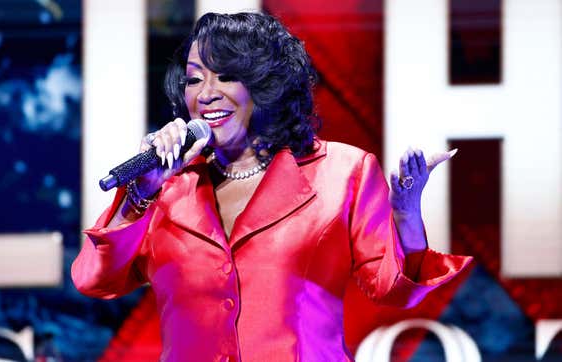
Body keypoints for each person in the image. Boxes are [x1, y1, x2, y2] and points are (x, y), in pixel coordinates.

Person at [72, 12, 472, 361]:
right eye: (194, 79)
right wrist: (141, 194)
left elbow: (396, 291)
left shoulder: (342, 172)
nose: (207, 93)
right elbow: (94, 279)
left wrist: (404, 214)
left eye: (227, 76)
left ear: (267, 87)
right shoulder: (169, 186)